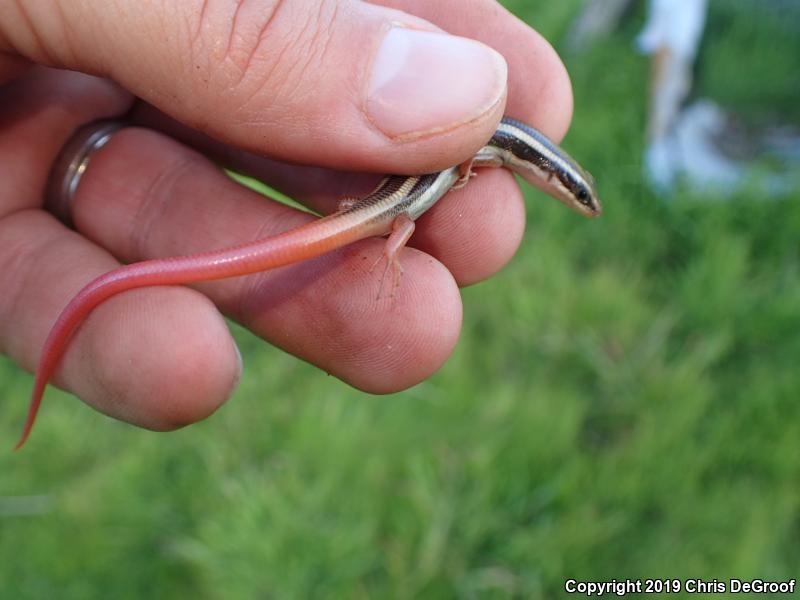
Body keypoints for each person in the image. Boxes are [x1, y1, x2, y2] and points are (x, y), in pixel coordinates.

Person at [0, 0, 573, 434]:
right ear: (551, 176)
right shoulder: (496, 144)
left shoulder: (494, 144)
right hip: (394, 215)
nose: (575, 202)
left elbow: (468, 156)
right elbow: (472, 154)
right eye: (575, 195)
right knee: (405, 250)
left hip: (382, 210)